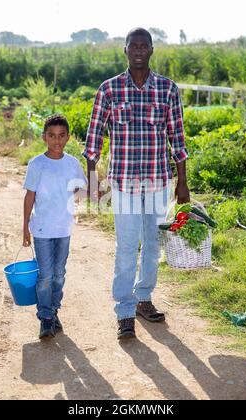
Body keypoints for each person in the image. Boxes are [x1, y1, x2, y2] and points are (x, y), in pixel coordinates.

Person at [83, 28, 190, 340]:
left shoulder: (168, 90)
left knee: (152, 244)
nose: (139, 50)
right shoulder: (110, 89)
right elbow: (94, 137)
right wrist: (92, 179)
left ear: (152, 50)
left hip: (158, 182)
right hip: (125, 184)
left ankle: (144, 298)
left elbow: (177, 139)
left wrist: (182, 182)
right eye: (134, 46)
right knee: (127, 247)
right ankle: (125, 312)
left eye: (145, 45)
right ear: (126, 50)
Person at [23, 114, 87, 339]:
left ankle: (54, 309)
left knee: (59, 274)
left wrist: (94, 189)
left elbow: (80, 191)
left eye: (61, 136)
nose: (56, 140)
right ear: (44, 137)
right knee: (46, 275)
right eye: (51, 136)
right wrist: (24, 228)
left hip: (64, 228)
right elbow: (29, 196)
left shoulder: (73, 164)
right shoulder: (37, 164)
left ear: (68, 137)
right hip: (41, 229)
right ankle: (45, 317)